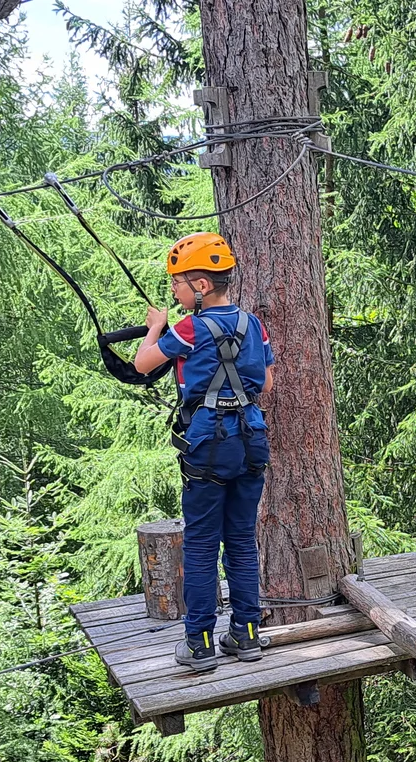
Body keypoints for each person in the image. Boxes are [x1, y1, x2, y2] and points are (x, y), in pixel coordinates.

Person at [133, 233, 273, 673]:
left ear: (200, 285)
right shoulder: (253, 325)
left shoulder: (189, 328)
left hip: (209, 445)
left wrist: (156, 327)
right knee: (241, 541)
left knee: (199, 545)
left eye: (177, 282)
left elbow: (142, 364)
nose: (173, 290)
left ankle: (199, 643)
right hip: (251, 439)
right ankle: (246, 633)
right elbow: (266, 386)